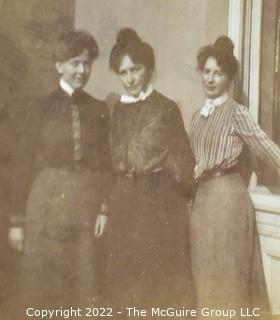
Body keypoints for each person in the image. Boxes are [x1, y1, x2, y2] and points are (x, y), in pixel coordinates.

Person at [7, 30, 111, 314]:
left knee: (83, 287)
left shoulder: (98, 109)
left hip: (85, 205)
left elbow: (104, 163)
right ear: (59, 65)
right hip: (46, 204)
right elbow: (22, 165)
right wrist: (17, 222)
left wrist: (103, 208)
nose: (82, 70)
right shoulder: (39, 108)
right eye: (75, 62)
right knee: (45, 289)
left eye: (87, 63)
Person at [105, 28, 195, 314]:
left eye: (136, 69)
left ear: (150, 69)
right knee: (123, 284)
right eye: (123, 72)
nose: (130, 78)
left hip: (157, 208)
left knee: (155, 287)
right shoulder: (118, 110)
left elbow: (185, 168)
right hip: (123, 207)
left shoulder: (166, 108)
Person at [189, 36, 280, 317]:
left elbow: (267, 149)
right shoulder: (197, 116)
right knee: (204, 275)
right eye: (206, 71)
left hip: (228, 201)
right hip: (202, 202)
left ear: (229, 77)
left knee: (228, 277)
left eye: (218, 73)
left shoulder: (237, 113)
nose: (211, 78)